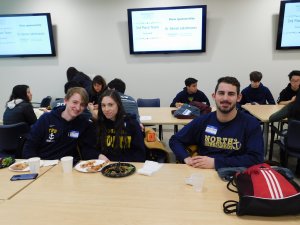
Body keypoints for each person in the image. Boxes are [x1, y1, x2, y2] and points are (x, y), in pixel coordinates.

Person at [169, 76, 264, 170]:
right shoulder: (202, 121)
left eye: (231, 94)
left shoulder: (251, 124)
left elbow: (256, 159)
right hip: (203, 174)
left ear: (238, 97)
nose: (225, 98)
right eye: (221, 93)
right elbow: (175, 140)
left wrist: (216, 162)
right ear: (214, 96)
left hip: (235, 175)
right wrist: (186, 158)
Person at [23, 87, 100, 160]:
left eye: (82, 105)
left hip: (68, 166)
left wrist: (99, 156)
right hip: (43, 163)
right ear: (66, 100)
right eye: (75, 102)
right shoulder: (46, 119)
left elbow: (88, 149)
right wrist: (36, 165)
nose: (78, 108)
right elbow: (29, 147)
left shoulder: (84, 124)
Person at [97, 89, 146, 162]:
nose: (106, 109)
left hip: (128, 166)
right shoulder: (99, 124)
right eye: (103, 105)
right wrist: (98, 155)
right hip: (104, 167)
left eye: (110, 105)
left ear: (118, 105)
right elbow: (91, 149)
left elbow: (140, 154)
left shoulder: (132, 124)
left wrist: (119, 164)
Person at [269, 89, 300, 175]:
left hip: (292, 141)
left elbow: (272, 118)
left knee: (284, 133)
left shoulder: (293, 106)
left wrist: (291, 103)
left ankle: (284, 166)